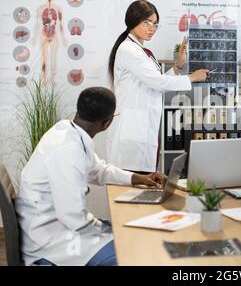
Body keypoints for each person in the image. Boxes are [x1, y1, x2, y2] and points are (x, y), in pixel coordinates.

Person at [15, 87, 166, 266]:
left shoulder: (69, 132)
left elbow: (99, 170)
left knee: (132, 231)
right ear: (107, 123)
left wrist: (138, 178)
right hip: (50, 241)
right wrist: (109, 231)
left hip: (56, 226)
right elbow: (72, 217)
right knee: (133, 251)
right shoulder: (67, 150)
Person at [107, 0, 209, 173]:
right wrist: (191, 77)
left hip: (142, 130)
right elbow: (158, 82)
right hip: (132, 134)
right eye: (147, 22)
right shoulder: (129, 50)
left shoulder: (142, 51)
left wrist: (178, 66)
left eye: (155, 24)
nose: (152, 28)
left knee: (141, 186)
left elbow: (157, 83)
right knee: (128, 191)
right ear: (133, 21)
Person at [33, 0, 67, 85]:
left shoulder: (58, 8)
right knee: (44, 58)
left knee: (53, 57)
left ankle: (52, 79)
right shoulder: (40, 8)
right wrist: (34, 37)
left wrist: (63, 38)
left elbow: (60, 24)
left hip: (54, 35)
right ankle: (43, 78)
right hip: (43, 35)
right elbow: (37, 24)